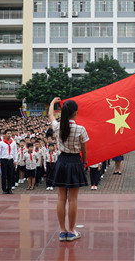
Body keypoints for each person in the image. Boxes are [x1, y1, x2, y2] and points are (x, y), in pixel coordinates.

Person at [48, 97, 89, 242]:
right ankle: (71, 231)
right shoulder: (80, 129)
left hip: (61, 161)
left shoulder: (58, 126)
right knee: (73, 199)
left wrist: (52, 103)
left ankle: (62, 231)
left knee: (61, 198)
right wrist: (84, 163)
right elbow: (84, 150)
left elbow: (51, 115)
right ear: (76, 113)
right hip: (75, 161)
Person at [0, 129, 17, 194]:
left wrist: (15, 160)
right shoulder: (1, 143)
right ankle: (4, 189)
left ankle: (9, 188)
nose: (9, 135)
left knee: (10, 175)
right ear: (5, 135)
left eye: (10, 133)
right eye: (8, 133)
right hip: (4, 160)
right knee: (4, 175)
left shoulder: (13, 142)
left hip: (10, 160)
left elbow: (15, 152)